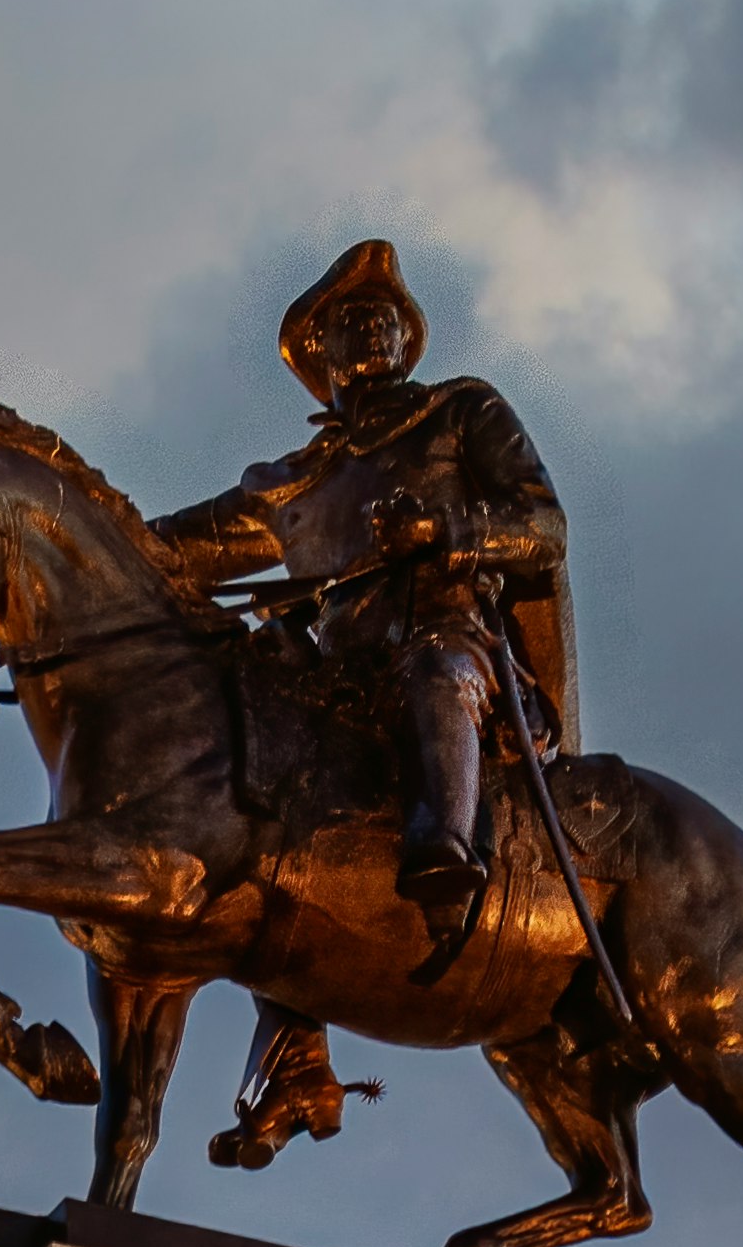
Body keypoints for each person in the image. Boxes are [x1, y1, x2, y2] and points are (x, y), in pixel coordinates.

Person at [148, 237, 574, 947]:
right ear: (321, 351)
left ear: (408, 340)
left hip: (450, 640)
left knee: (435, 673)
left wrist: (442, 528)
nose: (376, 324)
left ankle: (446, 852)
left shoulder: (460, 411)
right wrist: (64, 524)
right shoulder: (288, 485)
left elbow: (544, 527)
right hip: (333, 677)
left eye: (387, 316)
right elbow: (167, 549)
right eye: (353, 318)